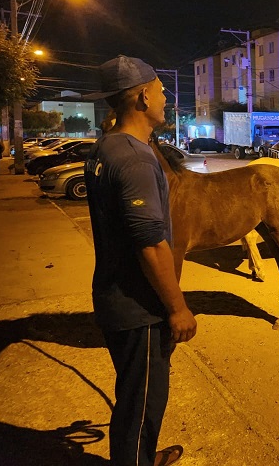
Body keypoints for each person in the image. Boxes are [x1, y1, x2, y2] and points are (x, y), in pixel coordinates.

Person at [85, 56, 195, 466]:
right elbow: (150, 245)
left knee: (134, 393)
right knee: (142, 402)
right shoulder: (134, 160)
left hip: (115, 295)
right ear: (144, 96)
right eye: (163, 92)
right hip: (138, 308)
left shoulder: (107, 147)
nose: (167, 100)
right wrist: (178, 307)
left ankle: (140, 456)